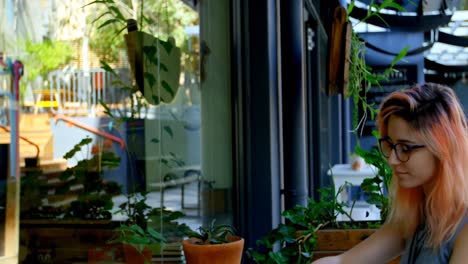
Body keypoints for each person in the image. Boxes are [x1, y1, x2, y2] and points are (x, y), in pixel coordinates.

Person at [313, 83, 468, 264]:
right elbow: (344, 262)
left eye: (405, 148)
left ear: (442, 149)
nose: (392, 159)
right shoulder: (421, 212)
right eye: (391, 145)